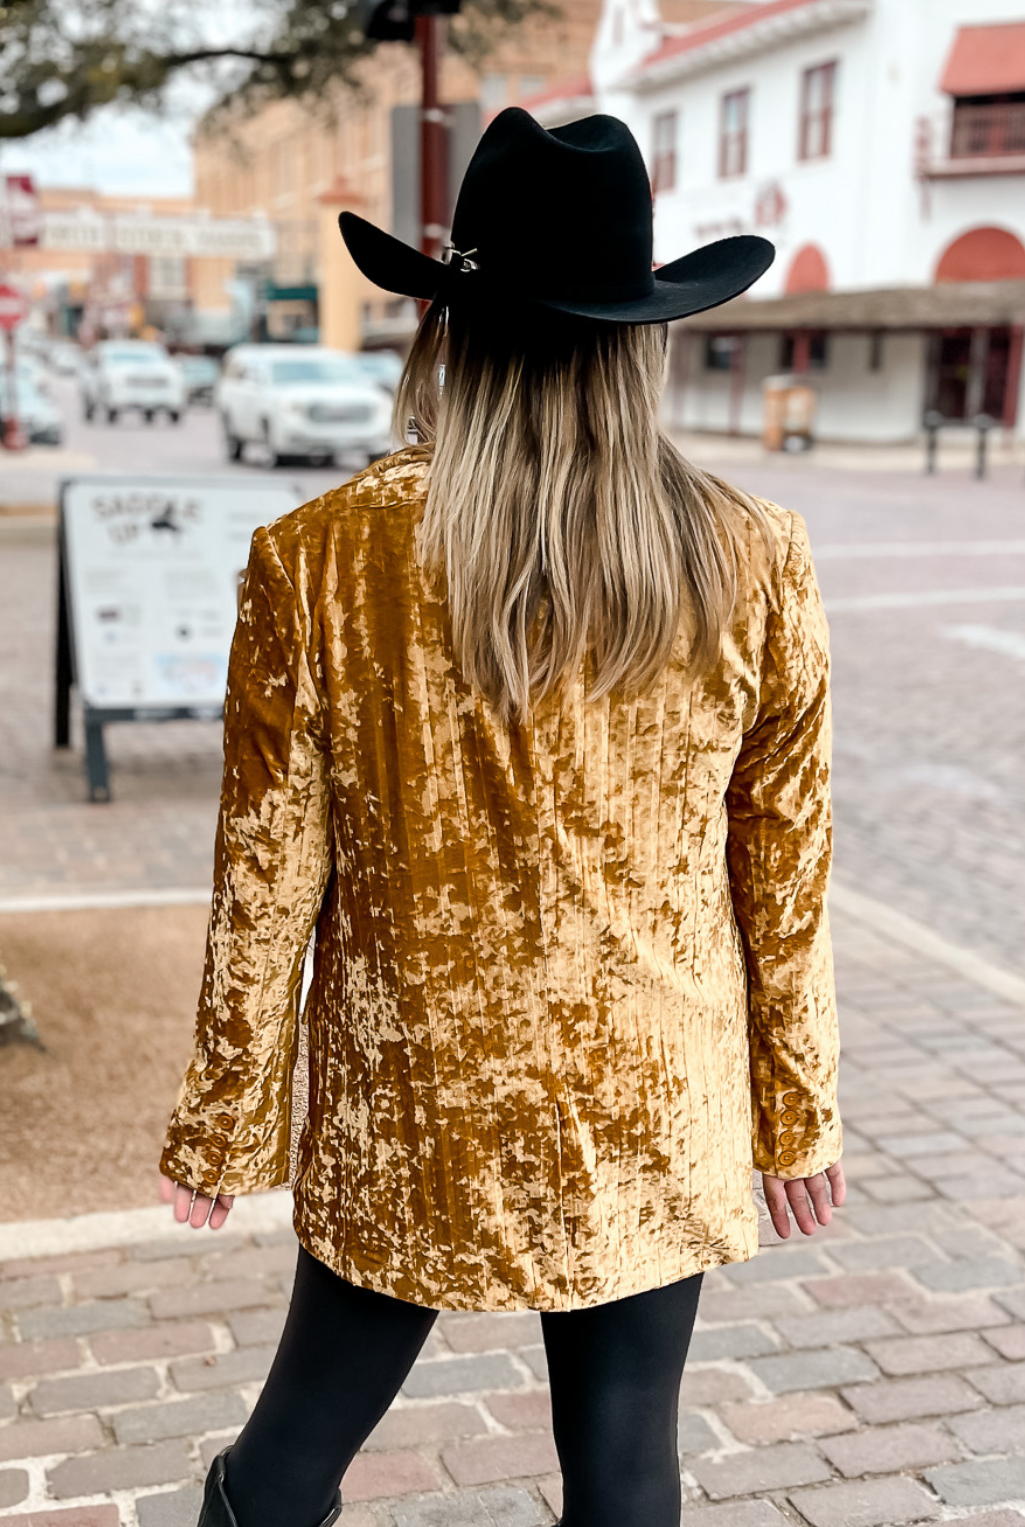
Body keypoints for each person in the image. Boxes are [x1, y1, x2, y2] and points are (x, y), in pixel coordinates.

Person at [158, 107, 845, 1527]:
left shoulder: (320, 558)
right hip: (655, 1085)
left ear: (449, 324)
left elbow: (266, 880)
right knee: (625, 1469)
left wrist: (226, 1125)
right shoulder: (752, 553)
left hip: (411, 1094)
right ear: (640, 333)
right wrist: (798, 1112)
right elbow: (784, 867)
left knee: (284, 1465)